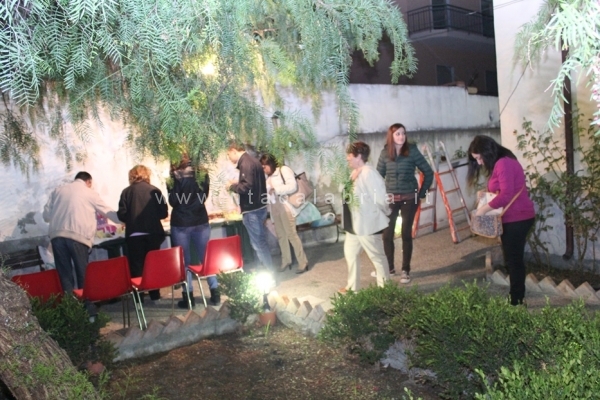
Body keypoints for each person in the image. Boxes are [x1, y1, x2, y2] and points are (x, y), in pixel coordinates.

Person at [467, 135, 535, 306]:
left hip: (518, 218)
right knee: (513, 259)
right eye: (476, 160)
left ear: (487, 152)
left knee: (514, 261)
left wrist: (482, 210)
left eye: (479, 158)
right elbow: (501, 190)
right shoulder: (502, 162)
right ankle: (517, 297)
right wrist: (485, 194)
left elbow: (506, 195)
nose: (479, 163)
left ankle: (516, 300)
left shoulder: (503, 163)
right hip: (514, 217)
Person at [43, 171, 120, 299]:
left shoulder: (57, 190)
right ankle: (87, 306)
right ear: (88, 182)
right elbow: (107, 211)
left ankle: (71, 306)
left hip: (57, 236)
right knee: (83, 273)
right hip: (78, 236)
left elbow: (46, 216)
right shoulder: (89, 193)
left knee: (65, 275)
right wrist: (123, 219)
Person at [376, 123, 433, 284]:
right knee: (387, 234)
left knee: (406, 234)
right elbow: (378, 177)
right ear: (391, 136)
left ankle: (405, 270)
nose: (401, 137)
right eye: (398, 134)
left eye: (403, 133)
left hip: (410, 198)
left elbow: (428, 172)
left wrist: (421, 193)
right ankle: (389, 268)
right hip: (390, 199)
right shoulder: (385, 153)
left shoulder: (412, 151)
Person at [168, 154, 220, 308]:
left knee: (184, 261)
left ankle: (188, 296)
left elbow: (173, 200)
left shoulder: (175, 176)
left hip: (181, 222)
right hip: (200, 219)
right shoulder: (202, 173)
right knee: (206, 257)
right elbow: (204, 196)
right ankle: (215, 292)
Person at [340, 141, 391, 293]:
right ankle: (352, 288)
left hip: (367, 224)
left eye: (350, 155)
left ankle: (385, 290)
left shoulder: (369, 173)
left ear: (359, 156)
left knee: (377, 257)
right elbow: (345, 193)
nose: (347, 158)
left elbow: (381, 198)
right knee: (351, 255)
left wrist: (384, 213)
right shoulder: (354, 173)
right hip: (353, 225)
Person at [118, 165, 168, 302]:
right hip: (153, 233)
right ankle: (154, 294)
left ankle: (139, 297)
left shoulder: (126, 192)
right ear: (147, 175)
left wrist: (130, 218)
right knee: (152, 264)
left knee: (137, 266)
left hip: (134, 234)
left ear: (132, 176)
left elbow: (122, 214)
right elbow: (163, 212)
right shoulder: (155, 191)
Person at [226, 142, 273, 271]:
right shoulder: (254, 161)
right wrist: (238, 182)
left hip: (252, 210)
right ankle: (261, 271)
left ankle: (269, 273)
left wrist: (232, 186)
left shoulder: (245, 163)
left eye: (228, 154)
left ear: (234, 150)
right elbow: (253, 183)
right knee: (258, 242)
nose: (229, 157)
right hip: (260, 207)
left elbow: (246, 187)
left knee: (259, 244)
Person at [260, 154, 310, 274]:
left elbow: (292, 186)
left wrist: (276, 189)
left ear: (270, 163)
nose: (264, 169)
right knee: (281, 236)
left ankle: (303, 262)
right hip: (275, 208)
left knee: (291, 234)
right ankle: (286, 260)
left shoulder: (283, 170)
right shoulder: (268, 177)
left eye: (264, 166)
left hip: (285, 206)